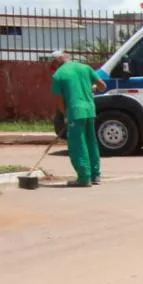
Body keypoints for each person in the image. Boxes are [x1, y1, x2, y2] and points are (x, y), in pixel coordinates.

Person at [50, 50, 107, 187]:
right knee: (91, 142)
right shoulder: (85, 68)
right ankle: (95, 175)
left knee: (78, 145)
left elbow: (59, 101)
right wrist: (91, 88)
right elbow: (102, 86)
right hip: (90, 110)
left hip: (75, 112)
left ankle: (84, 178)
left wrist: (66, 115)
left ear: (56, 61)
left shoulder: (58, 75)